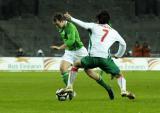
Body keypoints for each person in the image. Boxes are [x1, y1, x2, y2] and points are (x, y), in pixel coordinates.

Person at [62, 10, 135, 100]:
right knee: (119, 75)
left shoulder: (94, 26)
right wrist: (118, 55)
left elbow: (83, 24)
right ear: (108, 21)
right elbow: (123, 44)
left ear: (98, 20)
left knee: (76, 64)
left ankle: (69, 86)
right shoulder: (113, 32)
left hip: (92, 58)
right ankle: (123, 90)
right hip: (105, 59)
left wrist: (71, 18)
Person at [51, 13, 114, 100]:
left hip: (79, 51)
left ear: (62, 21)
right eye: (55, 25)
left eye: (57, 24)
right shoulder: (60, 27)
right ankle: (71, 90)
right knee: (62, 68)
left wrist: (59, 47)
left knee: (89, 72)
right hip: (69, 52)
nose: (56, 26)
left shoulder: (70, 27)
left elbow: (71, 41)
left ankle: (108, 88)